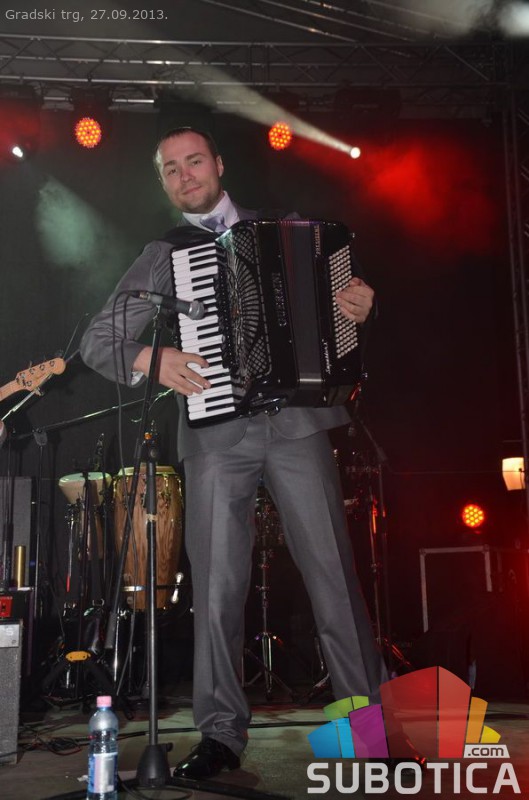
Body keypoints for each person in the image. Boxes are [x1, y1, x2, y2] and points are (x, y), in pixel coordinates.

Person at [80, 126, 388, 780]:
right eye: (171, 169)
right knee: (217, 589)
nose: (185, 175)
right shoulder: (165, 252)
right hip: (217, 437)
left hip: (297, 425)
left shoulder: (287, 228)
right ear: (163, 183)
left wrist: (359, 308)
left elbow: (336, 318)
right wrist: (150, 356)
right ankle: (220, 735)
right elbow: (98, 339)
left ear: (218, 164)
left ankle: (369, 733)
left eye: (194, 161)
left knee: (333, 578)